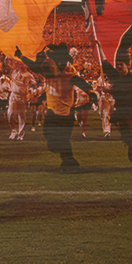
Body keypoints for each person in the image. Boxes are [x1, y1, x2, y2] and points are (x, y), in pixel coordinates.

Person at [14, 43, 95, 172]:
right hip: (52, 112)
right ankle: (69, 161)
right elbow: (34, 66)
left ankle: (70, 163)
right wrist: (21, 56)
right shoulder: (49, 71)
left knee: (63, 140)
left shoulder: (68, 72)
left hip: (66, 114)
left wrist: (90, 92)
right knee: (51, 141)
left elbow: (79, 81)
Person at [103, 53, 132, 170]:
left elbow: (127, 92)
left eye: (121, 64)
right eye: (117, 64)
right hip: (123, 110)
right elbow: (105, 65)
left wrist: (109, 90)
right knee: (128, 132)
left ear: (127, 65)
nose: (119, 67)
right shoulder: (116, 75)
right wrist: (99, 48)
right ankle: (130, 144)